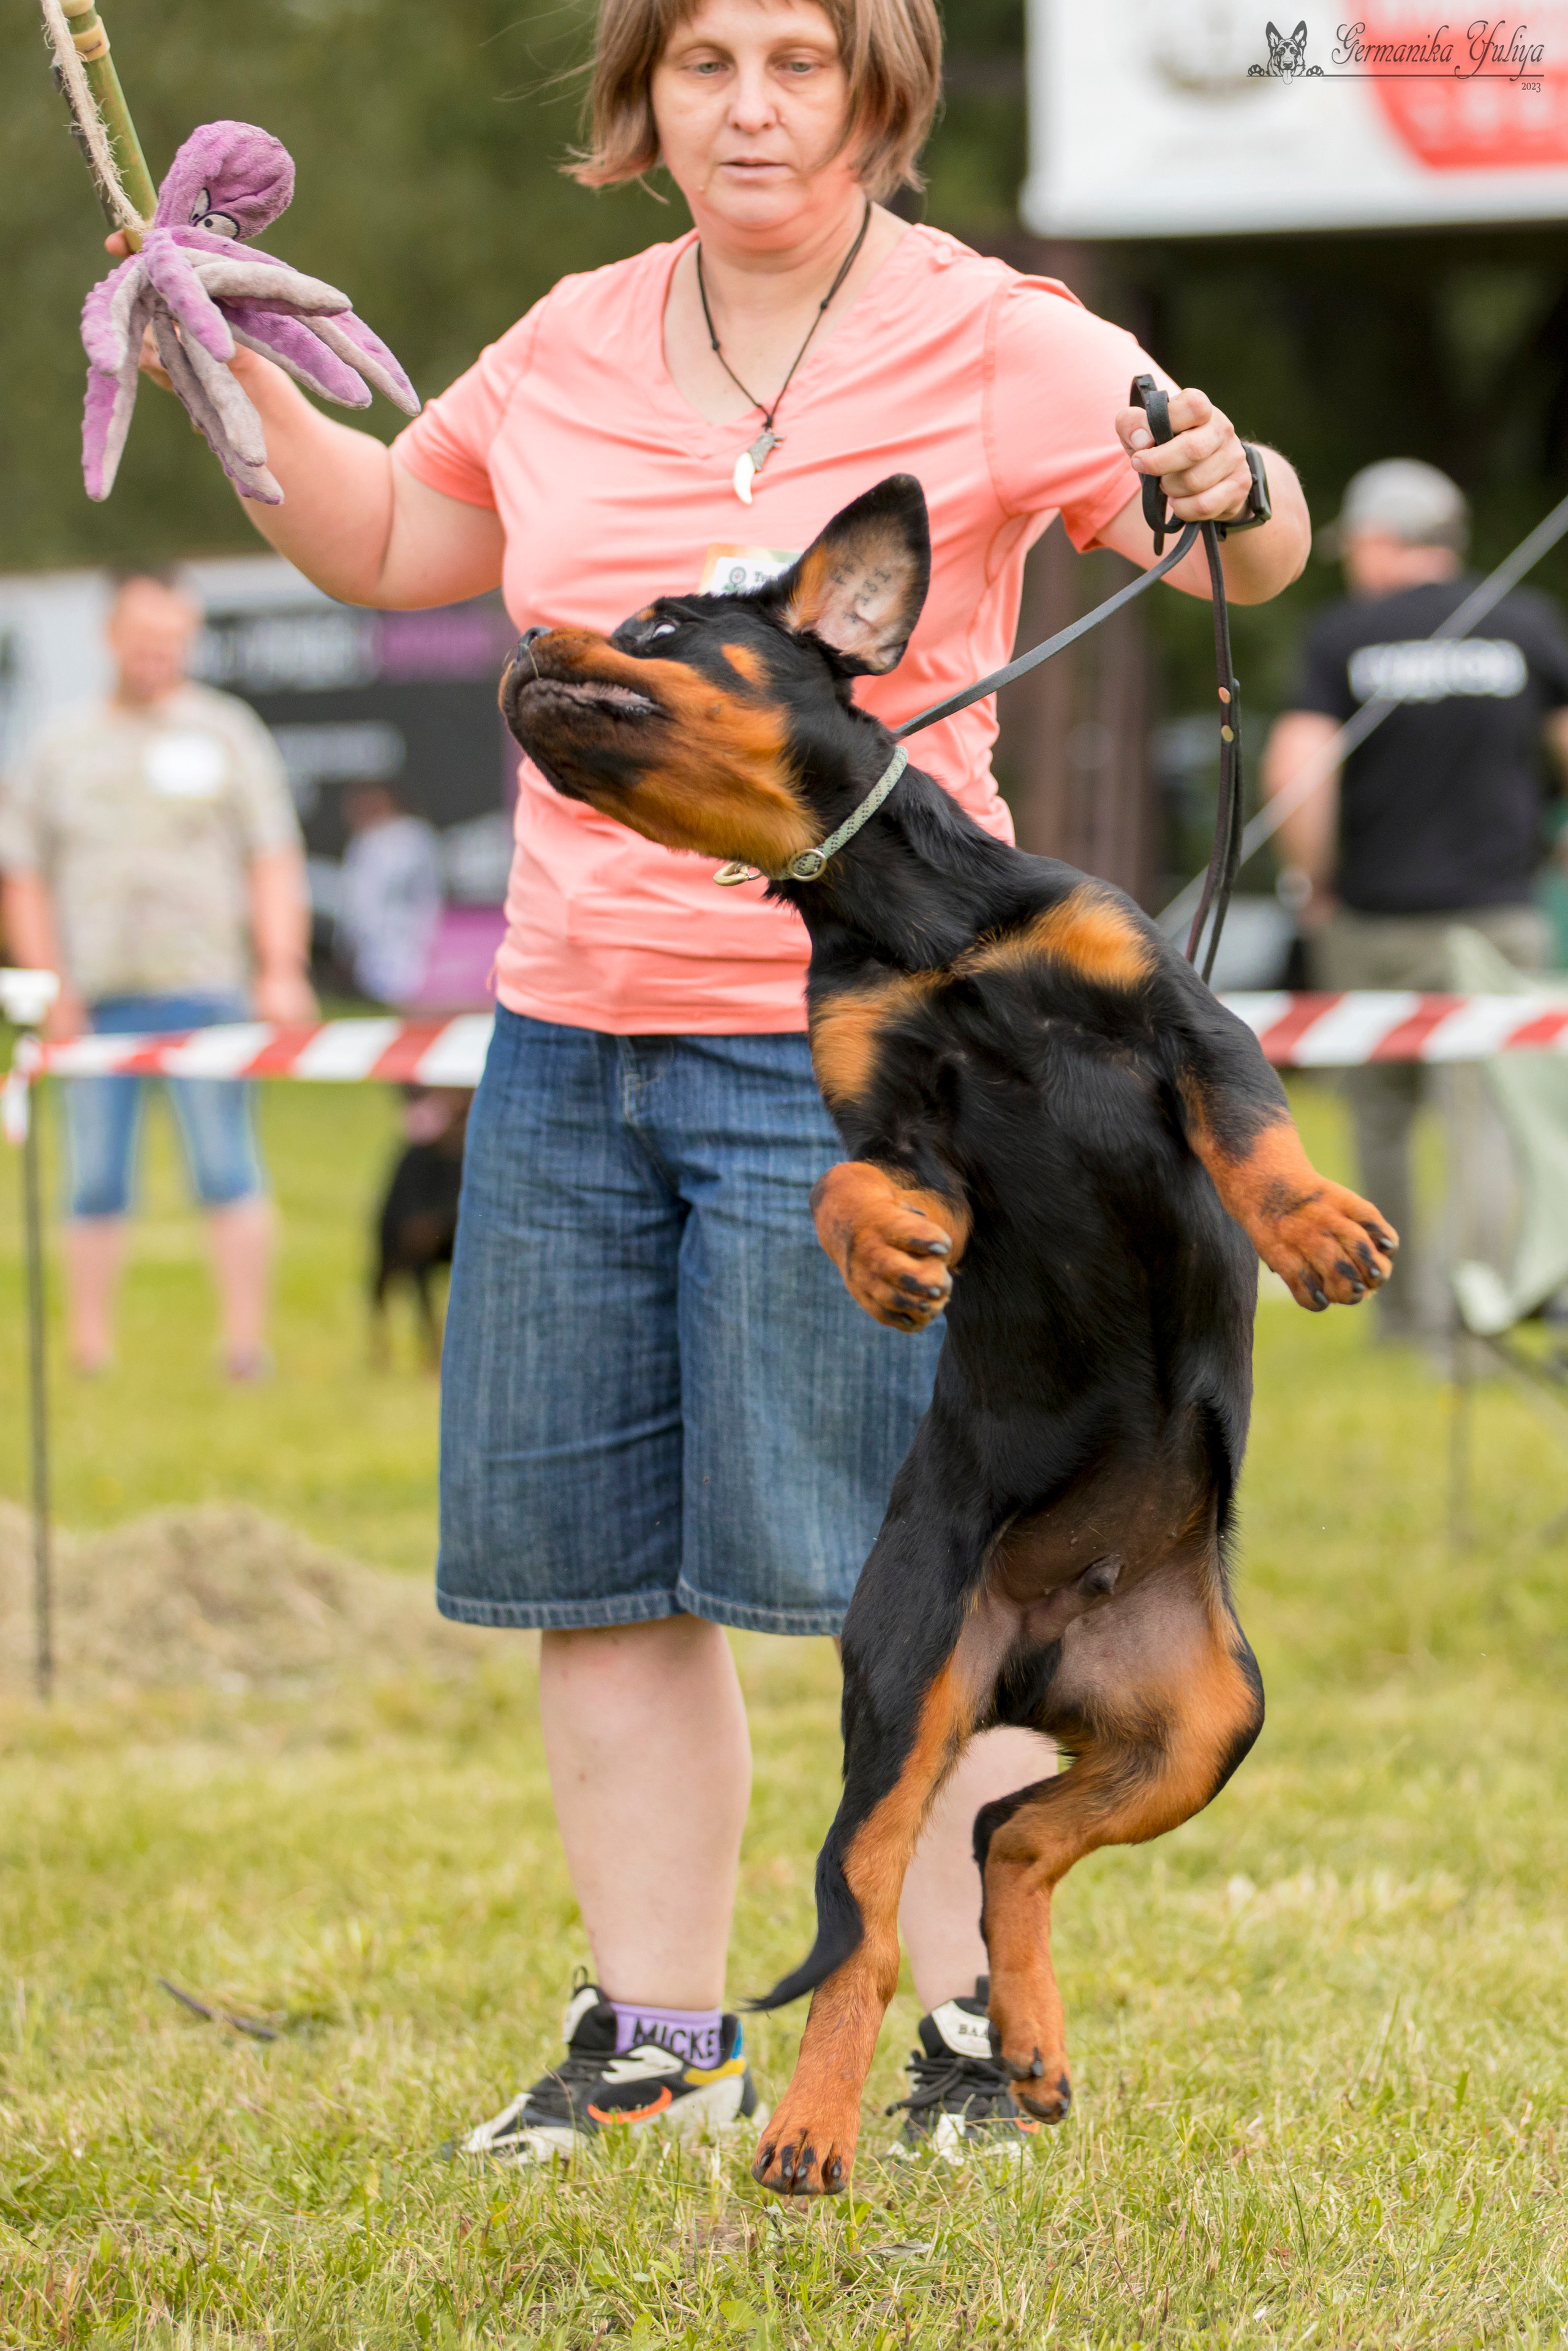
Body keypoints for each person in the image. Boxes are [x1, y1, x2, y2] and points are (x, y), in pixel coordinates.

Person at [107, 0, 1308, 2161]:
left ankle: (953, 2038)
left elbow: (1236, 541)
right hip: (570, 1038)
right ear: (639, 98)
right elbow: (388, 537)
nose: (750, 105)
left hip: (879, 1070)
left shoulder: (1000, 335)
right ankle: (658, 2031)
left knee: (911, 1578)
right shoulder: (573, 333)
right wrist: (210, 350)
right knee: (593, 1571)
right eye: (701, 63)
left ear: (881, 92)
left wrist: (1248, 478)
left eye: (798, 58)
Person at [1263, 460, 1568, 1339]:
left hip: (1372, 919)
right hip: (1499, 918)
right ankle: (1466, 1314)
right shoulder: (1528, 624)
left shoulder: (1344, 636)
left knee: (1383, 1121)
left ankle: (1395, 1314)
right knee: (1487, 1122)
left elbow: (1299, 769)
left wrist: (1312, 882)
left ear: (1377, 540)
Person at [0, 569, 316, 1378]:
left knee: (227, 1165)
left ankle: (246, 1348)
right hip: (95, 999)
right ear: (111, 637)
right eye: (143, 638)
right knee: (94, 1177)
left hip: (209, 989)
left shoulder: (227, 733)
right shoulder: (60, 744)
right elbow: (24, 872)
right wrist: (48, 983)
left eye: (171, 639)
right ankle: (89, 1353)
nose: (157, 653)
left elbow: (272, 855)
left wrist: (281, 968)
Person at [336, 782, 443, 1005]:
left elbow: (426, 891)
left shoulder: (412, 837)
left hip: (408, 935)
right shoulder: (367, 842)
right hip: (377, 942)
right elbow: (357, 902)